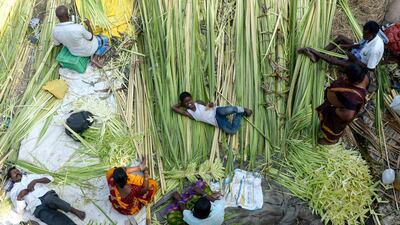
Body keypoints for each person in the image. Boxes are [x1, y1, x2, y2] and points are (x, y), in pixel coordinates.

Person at [7, 167, 86, 225]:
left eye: (17, 170)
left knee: (51, 199)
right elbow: (20, 211)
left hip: (46, 195)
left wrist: (35, 181)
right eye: (14, 172)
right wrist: (19, 197)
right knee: (51, 218)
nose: (17, 172)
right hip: (36, 207)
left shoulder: (31, 177)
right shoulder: (14, 191)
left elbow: (50, 178)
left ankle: (74, 210)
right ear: (11, 179)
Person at [298, 21, 384, 71]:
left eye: (365, 34)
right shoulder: (370, 36)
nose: (363, 35)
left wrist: (353, 59)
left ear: (372, 34)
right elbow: (360, 45)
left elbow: (369, 69)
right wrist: (348, 46)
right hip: (359, 53)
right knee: (340, 38)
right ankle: (318, 55)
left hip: (360, 64)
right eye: (363, 32)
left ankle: (313, 52)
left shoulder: (374, 50)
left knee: (335, 60)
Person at [317, 64, 369, 145]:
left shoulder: (352, 99)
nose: (344, 77)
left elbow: (348, 115)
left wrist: (335, 110)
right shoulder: (361, 74)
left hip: (338, 113)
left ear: (354, 80)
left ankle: (329, 141)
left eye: (347, 77)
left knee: (332, 127)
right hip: (340, 105)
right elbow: (338, 62)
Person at [171, 92, 252, 135]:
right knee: (232, 131)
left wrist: (210, 105)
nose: (189, 103)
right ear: (183, 103)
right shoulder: (189, 113)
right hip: (217, 121)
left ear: (192, 98)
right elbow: (173, 108)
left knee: (227, 110)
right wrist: (181, 104)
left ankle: (243, 109)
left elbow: (208, 106)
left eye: (189, 100)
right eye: (186, 102)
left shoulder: (198, 102)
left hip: (216, 111)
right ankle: (240, 114)